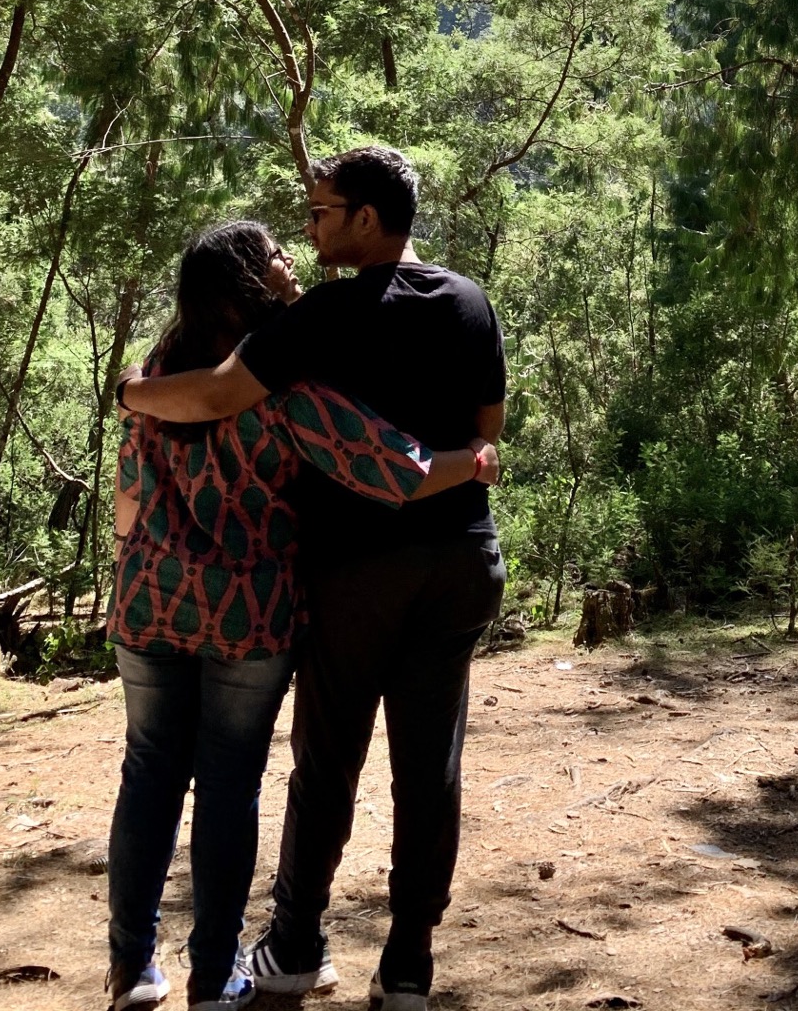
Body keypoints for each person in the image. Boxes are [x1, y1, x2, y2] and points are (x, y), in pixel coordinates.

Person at [120, 148, 507, 1011]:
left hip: (356, 571)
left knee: (325, 762)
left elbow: (220, 396)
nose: (310, 225)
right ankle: (408, 967)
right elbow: (489, 428)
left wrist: (133, 394)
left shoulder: (322, 316)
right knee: (430, 765)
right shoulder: (472, 300)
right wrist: (472, 465)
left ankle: (294, 946)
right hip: (461, 559)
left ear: (368, 218)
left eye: (323, 210)